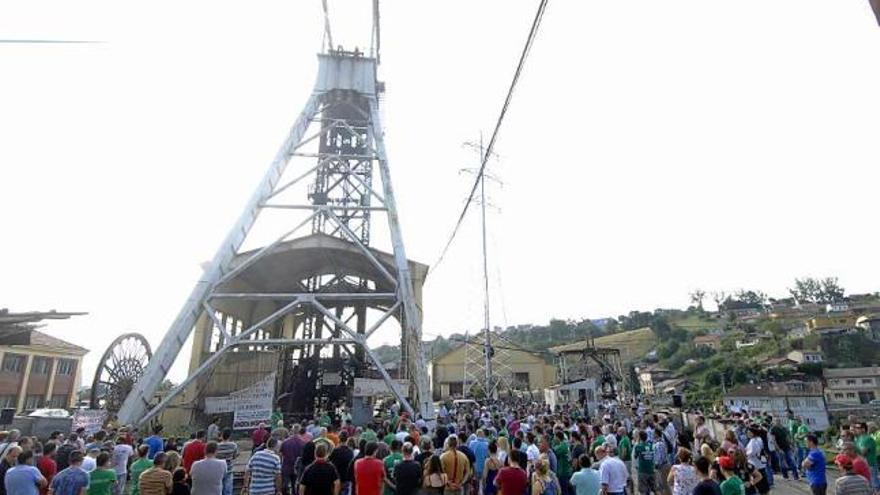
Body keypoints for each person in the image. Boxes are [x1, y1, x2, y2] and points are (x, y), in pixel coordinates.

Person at [854, 422, 879, 492]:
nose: (856, 429)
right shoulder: (858, 439)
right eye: (855, 428)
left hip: (870, 463)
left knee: (874, 483)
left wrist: (854, 448)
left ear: (863, 429)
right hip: (862, 464)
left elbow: (863, 452)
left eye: (858, 428)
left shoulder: (868, 439)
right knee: (866, 483)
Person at [214, 429, 238, 495]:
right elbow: (234, 456)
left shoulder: (217, 446)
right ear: (229, 436)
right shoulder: (233, 445)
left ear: (222, 435)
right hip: (229, 469)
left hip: (219, 469)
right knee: (228, 489)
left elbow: (215, 457)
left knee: (219, 489)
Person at [633, 431, 655, 495]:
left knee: (643, 491)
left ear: (639, 437)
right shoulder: (651, 446)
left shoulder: (638, 446)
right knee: (652, 490)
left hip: (642, 471)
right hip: (651, 470)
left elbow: (635, 456)